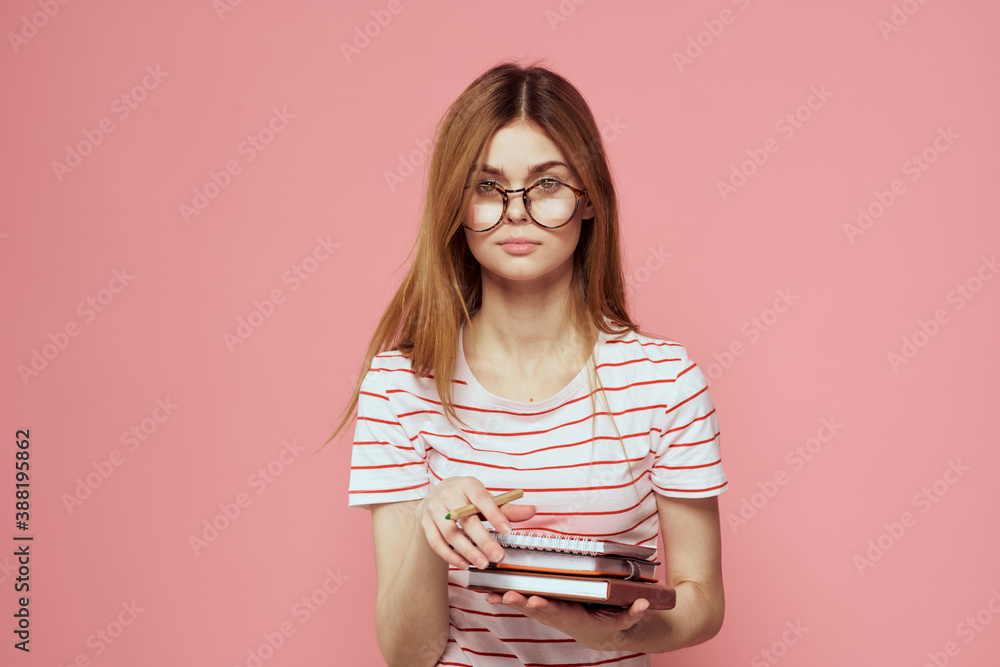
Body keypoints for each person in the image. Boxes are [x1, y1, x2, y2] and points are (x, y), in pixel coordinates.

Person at [334, 61, 728, 667]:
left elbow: (703, 601)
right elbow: (405, 654)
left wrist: (617, 636)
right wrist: (427, 529)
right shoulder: (398, 386)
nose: (515, 211)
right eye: (486, 187)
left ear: (589, 197)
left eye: (546, 184)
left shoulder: (665, 379)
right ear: (456, 207)